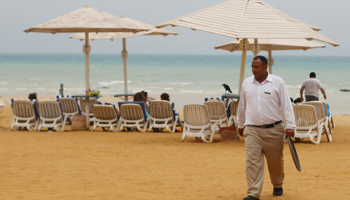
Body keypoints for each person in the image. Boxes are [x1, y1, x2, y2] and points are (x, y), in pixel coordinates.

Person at [237, 56, 295, 200]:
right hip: (252, 130)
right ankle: (253, 193)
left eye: (256, 67)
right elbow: (242, 105)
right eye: (252, 66)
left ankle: (277, 184)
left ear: (265, 67)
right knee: (252, 162)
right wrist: (240, 123)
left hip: (274, 130)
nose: (253, 70)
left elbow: (286, 105)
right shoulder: (247, 83)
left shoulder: (277, 82)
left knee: (275, 161)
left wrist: (290, 125)